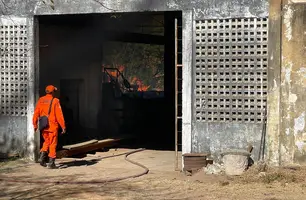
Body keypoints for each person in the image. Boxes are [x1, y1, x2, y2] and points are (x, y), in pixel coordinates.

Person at [33, 85, 66, 169]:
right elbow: (59, 115)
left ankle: (41, 158)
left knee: (46, 142)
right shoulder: (55, 101)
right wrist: (63, 126)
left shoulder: (41, 100)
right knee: (52, 144)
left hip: (44, 126)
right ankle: (51, 163)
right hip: (52, 126)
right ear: (53, 92)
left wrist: (35, 124)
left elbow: (36, 113)